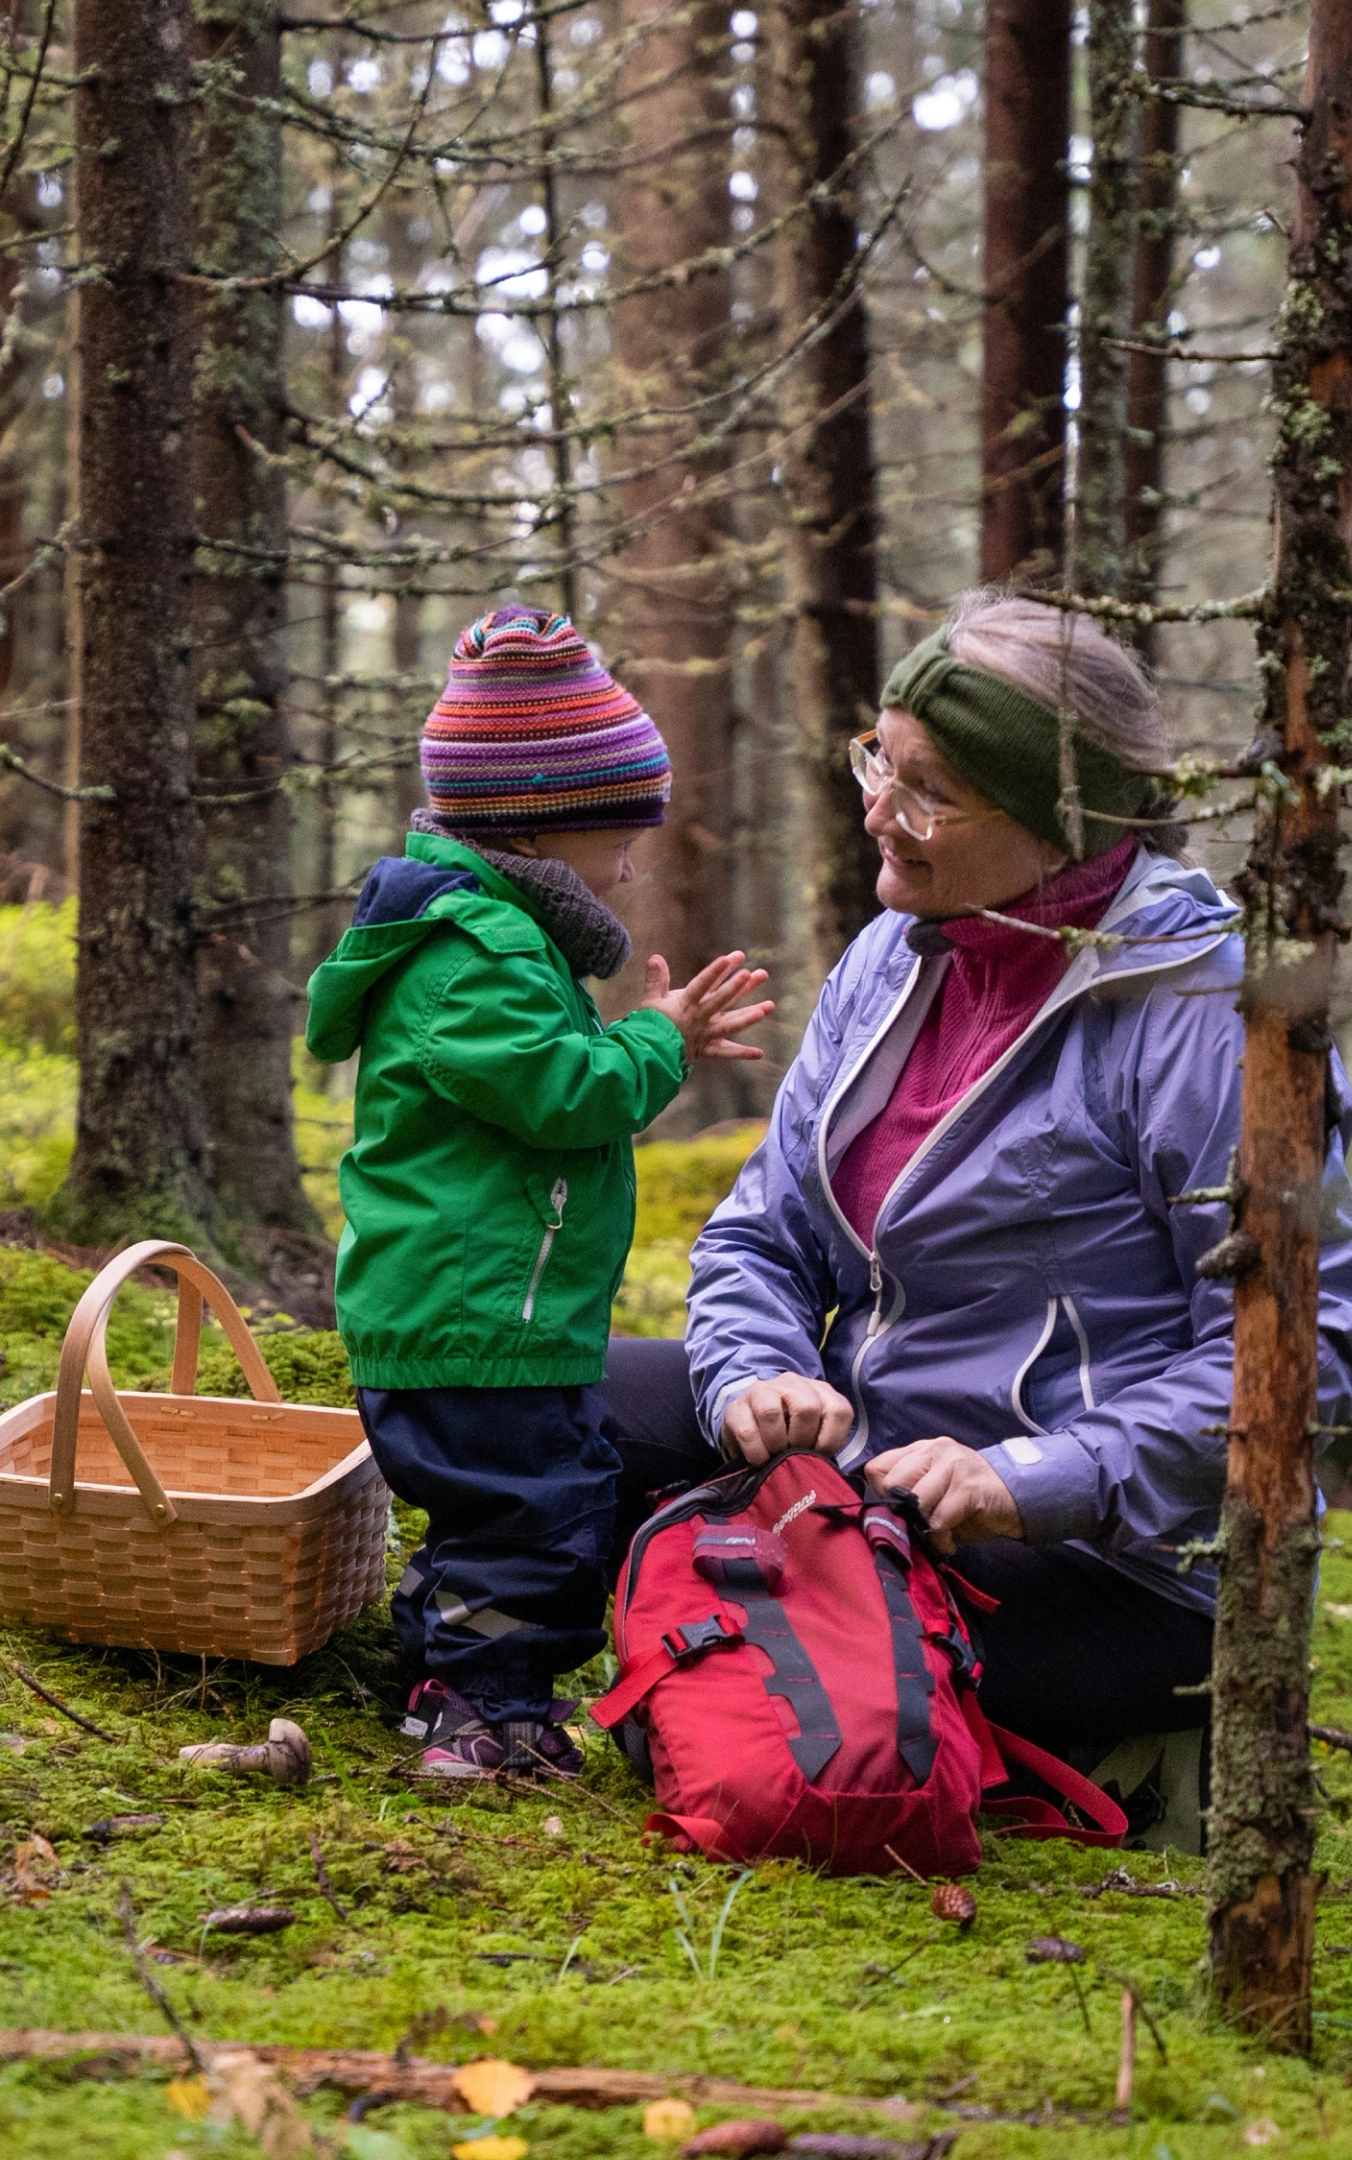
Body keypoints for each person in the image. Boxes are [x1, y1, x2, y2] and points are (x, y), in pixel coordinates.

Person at [601, 590, 1352, 1775]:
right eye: (879, 762)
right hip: (875, 1473)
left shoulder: (1212, 1016)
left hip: (1128, 1566)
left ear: (1062, 827)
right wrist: (759, 1373)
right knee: (542, 1402)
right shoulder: (901, 947)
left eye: (930, 794)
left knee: (797, 1632)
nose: (878, 812)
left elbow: (1296, 1358)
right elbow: (761, 1231)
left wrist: (1029, 1476)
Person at [304, 605, 773, 1779]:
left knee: (502, 1515)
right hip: (479, 1324)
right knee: (537, 1524)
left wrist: (644, 1037)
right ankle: (482, 1713)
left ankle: (443, 1681)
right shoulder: (475, 955)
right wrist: (657, 1040)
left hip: (481, 1317)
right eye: (618, 836)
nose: (630, 864)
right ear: (540, 826)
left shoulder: (492, 945)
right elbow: (568, 1095)